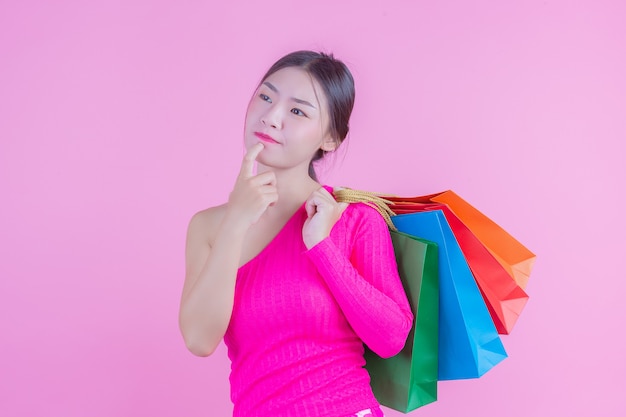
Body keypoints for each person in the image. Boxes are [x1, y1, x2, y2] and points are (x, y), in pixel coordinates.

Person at [178, 50, 413, 417]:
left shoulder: (352, 220)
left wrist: (322, 247)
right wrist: (236, 221)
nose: (271, 117)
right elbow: (198, 339)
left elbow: (391, 338)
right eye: (266, 97)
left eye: (298, 111)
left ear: (331, 138)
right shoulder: (208, 227)